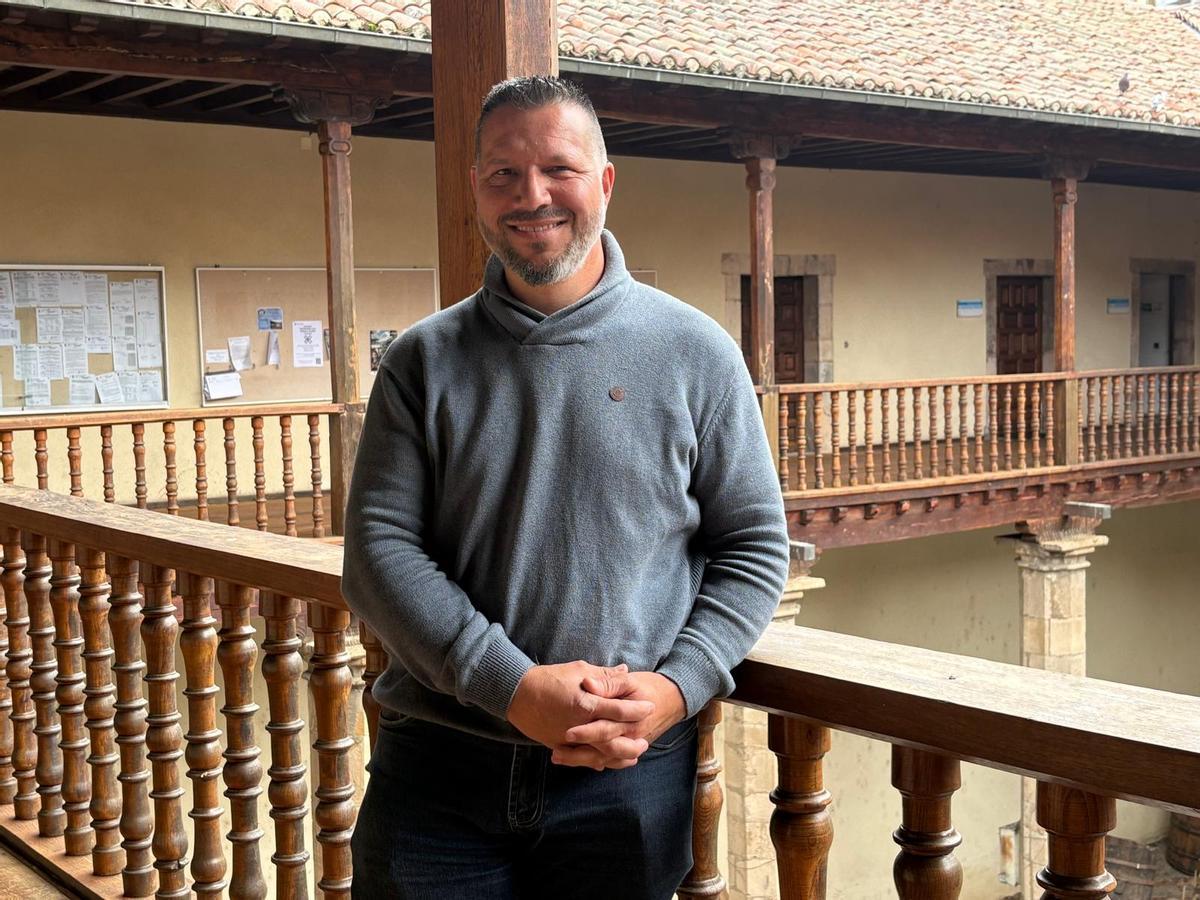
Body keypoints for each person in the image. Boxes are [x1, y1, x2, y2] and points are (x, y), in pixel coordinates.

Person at [343, 75, 790, 900]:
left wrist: (677, 686)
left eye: (560, 168)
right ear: (476, 188)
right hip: (439, 770)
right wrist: (510, 687)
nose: (533, 195)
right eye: (504, 173)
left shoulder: (697, 353)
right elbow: (378, 554)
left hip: (626, 778)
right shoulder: (421, 362)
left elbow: (754, 548)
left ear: (606, 183)